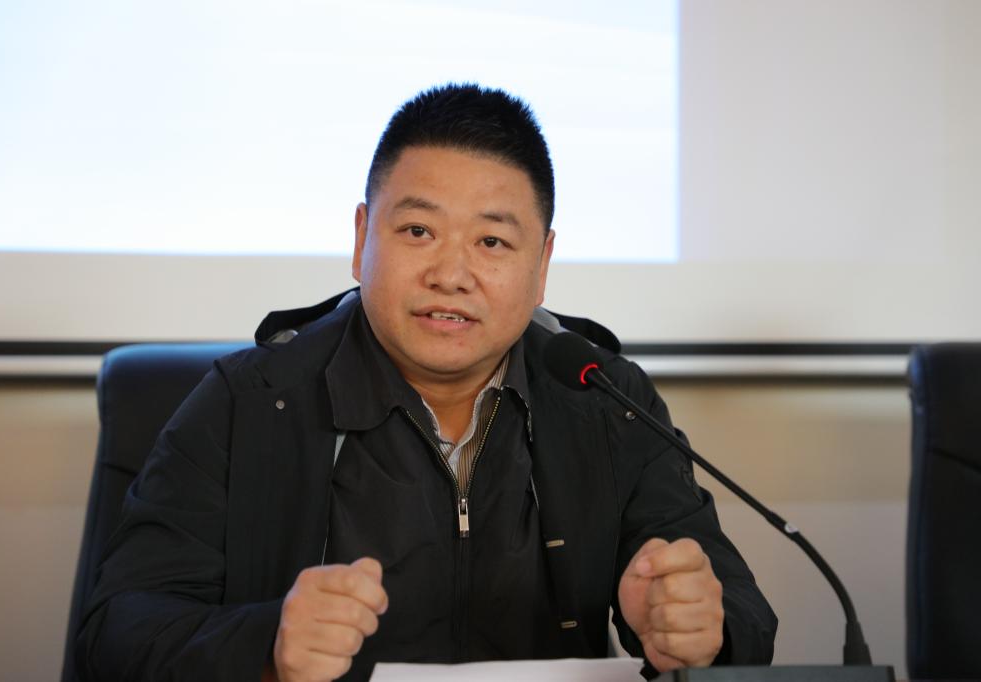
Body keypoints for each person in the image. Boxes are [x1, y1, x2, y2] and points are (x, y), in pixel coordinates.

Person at [77, 83, 776, 682]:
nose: (451, 274)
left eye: (492, 241)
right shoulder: (250, 401)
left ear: (542, 265)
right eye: (417, 231)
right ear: (361, 239)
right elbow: (116, 631)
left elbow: (741, 610)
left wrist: (701, 631)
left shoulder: (606, 399)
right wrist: (268, 644)